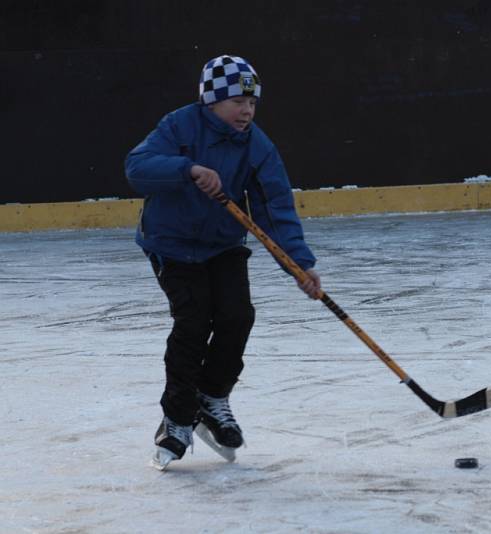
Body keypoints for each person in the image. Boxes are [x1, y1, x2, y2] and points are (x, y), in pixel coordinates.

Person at [125, 54, 321, 468]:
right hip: (172, 245)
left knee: (237, 317)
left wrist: (299, 265)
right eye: (238, 101)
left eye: (252, 103)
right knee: (194, 321)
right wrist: (188, 169)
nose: (247, 110)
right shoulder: (178, 126)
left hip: (222, 245)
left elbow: (275, 208)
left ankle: (213, 398)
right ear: (212, 100)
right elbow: (137, 168)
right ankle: (176, 419)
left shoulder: (257, 146)